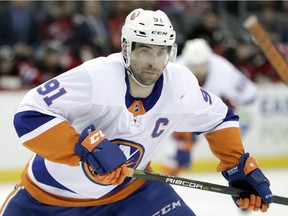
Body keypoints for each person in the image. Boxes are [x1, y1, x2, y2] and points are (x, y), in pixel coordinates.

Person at [0, 8, 272, 216]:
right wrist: (81, 148)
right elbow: (29, 114)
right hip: (49, 198)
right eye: (144, 51)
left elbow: (219, 118)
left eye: (161, 52)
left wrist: (237, 166)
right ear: (126, 49)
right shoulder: (96, 77)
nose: (153, 63)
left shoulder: (179, 84)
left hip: (131, 195)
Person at [160, 38, 258, 177]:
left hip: (216, 115)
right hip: (185, 115)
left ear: (209, 60)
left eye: (202, 65)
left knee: (233, 151)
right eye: (194, 65)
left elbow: (250, 95)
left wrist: (230, 104)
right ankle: (166, 181)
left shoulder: (223, 69)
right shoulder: (175, 68)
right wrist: (183, 141)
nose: (198, 70)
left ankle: (239, 174)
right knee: (175, 154)